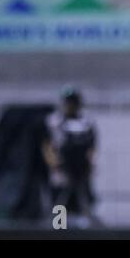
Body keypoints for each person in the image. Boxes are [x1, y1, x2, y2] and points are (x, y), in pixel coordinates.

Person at [42, 86, 98, 226]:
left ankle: (84, 225)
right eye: (68, 102)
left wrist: (89, 164)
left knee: (83, 201)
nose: (71, 106)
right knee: (60, 204)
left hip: (81, 170)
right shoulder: (53, 121)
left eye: (74, 102)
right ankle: (57, 228)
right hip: (61, 170)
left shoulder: (86, 122)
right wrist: (55, 164)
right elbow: (48, 146)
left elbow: (92, 145)